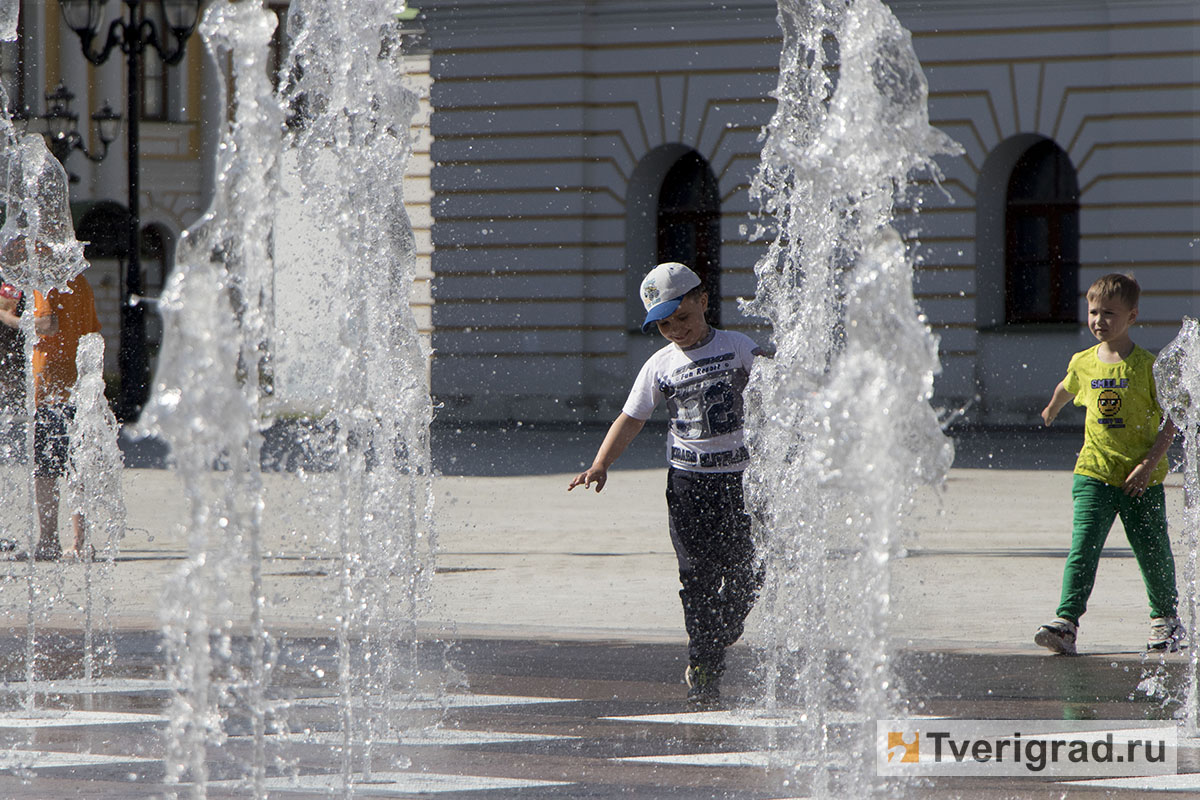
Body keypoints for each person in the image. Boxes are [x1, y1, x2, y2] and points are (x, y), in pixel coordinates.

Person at [569, 262, 764, 705]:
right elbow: (631, 418)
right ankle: (703, 662)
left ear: (703, 302)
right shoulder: (661, 365)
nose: (676, 330)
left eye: (683, 318)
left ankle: (723, 633)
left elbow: (777, 386)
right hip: (690, 487)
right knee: (696, 575)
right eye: (663, 324)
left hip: (742, 484)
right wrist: (601, 463)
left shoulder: (738, 348)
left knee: (749, 570)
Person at [1035, 273, 1181, 656]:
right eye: (1094, 312)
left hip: (1140, 480)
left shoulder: (1148, 367)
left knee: (1152, 550)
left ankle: (1165, 620)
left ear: (1132, 316)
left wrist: (1149, 464)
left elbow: (1172, 419)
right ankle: (1066, 623)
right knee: (1082, 548)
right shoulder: (1083, 362)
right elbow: (1066, 387)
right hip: (1093, 473)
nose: (1100, 320)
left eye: (1110, 313)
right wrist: (1051, 409)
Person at [29, 272, 101, 561]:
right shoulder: (82, 282)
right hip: (78, 385)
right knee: (76, 467)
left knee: (46, 469)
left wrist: (12, 320)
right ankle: (81, 543)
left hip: (51, 387)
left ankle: (48, 541)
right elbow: (95, 332)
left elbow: (47, 324)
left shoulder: (45, 282)